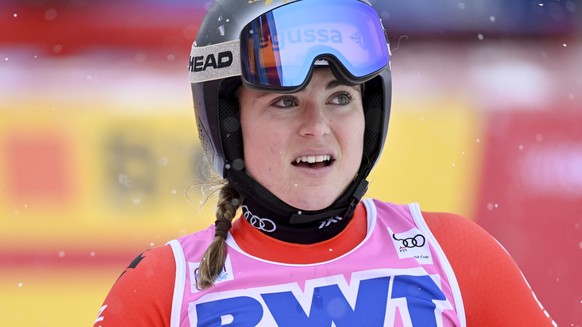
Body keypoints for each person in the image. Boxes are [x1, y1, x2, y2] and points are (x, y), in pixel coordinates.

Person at [94, 0, 556, 326]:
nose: (317, 126)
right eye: (285, 103)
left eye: (339, 98)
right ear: (230, 127)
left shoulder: (455, 255)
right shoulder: (161, 289)